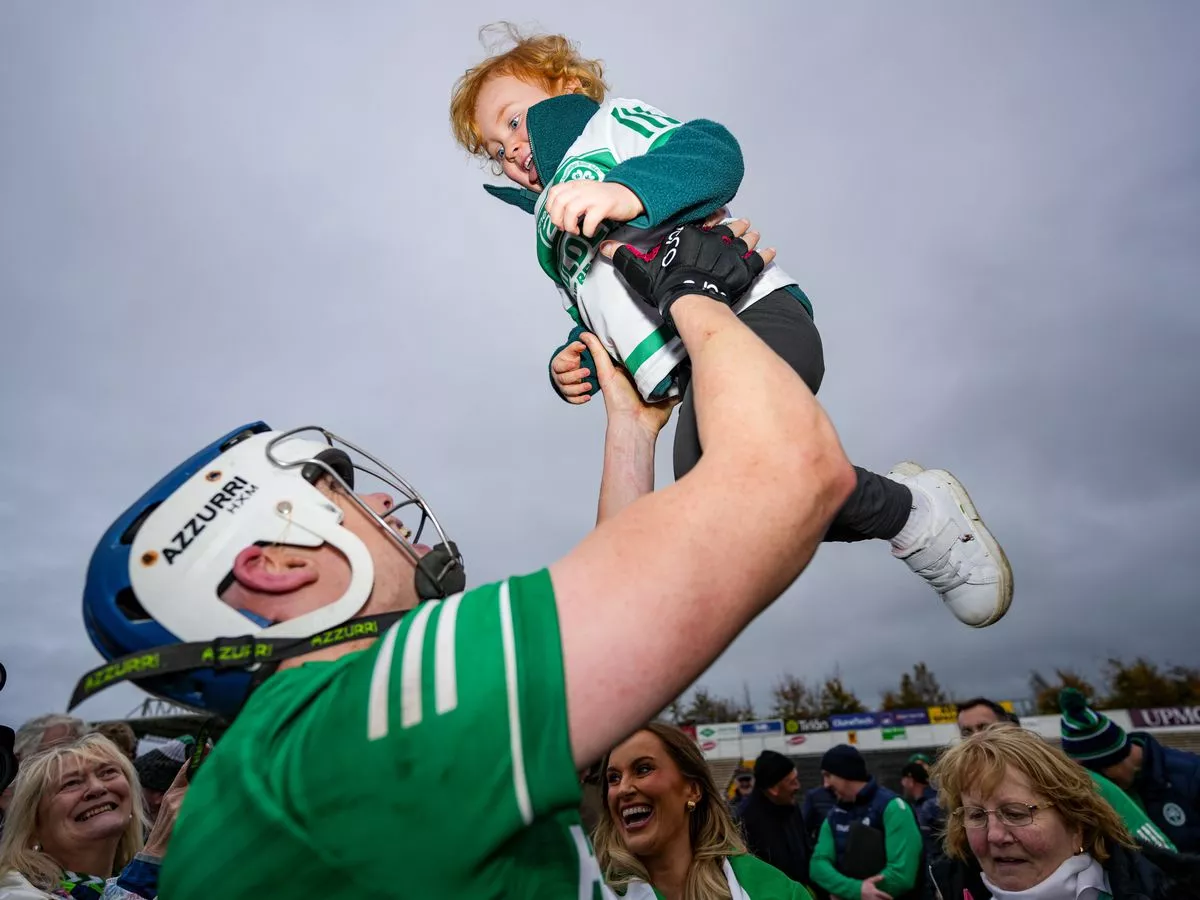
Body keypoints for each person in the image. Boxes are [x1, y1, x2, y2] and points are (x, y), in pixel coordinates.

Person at [71, 223, 859, 897]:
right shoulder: (376, 710)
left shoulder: (269, 773)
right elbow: (794, 472)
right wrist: (690, 287)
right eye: (335, 490)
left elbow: (619, 617)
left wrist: (632, 427)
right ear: (274, 569)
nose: (379, 505)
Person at [449, 24, 1013, 630]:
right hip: (691, 373)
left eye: (512, 122)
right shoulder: (550, 233)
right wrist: (576, 361)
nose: (508, 151)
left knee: (741, 466)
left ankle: (915, 519)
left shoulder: (608, 130)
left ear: (564, 87)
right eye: (493, 149)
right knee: (716, 499)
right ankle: (909, 510)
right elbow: (592, 307)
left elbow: (712, 152)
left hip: (752, 315)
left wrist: (624, 190)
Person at [928, 724, 1200, 899]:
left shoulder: (1169, 890)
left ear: (1076, 826)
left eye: (1016, 813)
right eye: (976, 815)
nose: (994, 836)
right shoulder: (949, 888)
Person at [595, 722, 811, 899]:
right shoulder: (593, 893)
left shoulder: (775, 891)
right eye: (613, 778)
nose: (622, 789)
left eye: (643, 769)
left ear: (693, 790)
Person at [957, 694, 1178, 854]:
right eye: (967, 732)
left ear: (1011, 729)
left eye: (984, 727)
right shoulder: (961, 797)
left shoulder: (1076, 780)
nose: (976, 738)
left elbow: (1164, 858)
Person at [0, 734, 188, 899]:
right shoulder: (13, 891)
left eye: (108, 772)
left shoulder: (162, 888)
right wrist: (151, 858)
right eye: (71, 783)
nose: (97, 788)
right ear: (33, 824)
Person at [1059, 688, 1200, 854]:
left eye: (1102, 776)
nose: (1105, 785)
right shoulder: (1116, 791)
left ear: (1115, 759)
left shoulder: (1190, 774)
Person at [810, 745, 923, 900]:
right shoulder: (834, 815)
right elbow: (817, 865)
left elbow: (902, 875)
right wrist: (855, 890)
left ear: (844, 773)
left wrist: (849, 893)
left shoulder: (893, 807)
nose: (826, 784)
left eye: (828, 775)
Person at [738, 751, 812, 888]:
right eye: (792, 782)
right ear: (773, 789)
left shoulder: (792, 807)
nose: (798, 786)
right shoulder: (745, 822)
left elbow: (805, 851)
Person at [899, 762, 943, 864]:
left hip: (936, 865)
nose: (902, 784)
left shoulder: (929, 806)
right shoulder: (931, 802)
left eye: (903, 780)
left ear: (910, 781)